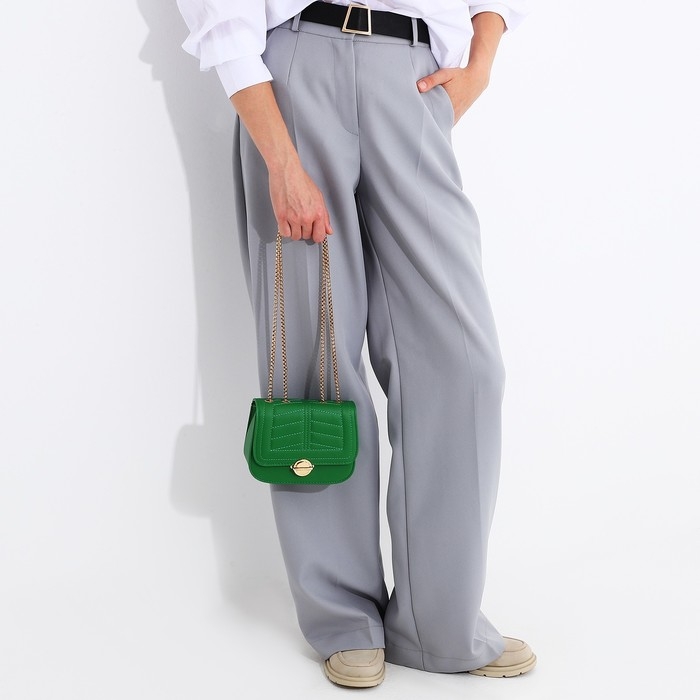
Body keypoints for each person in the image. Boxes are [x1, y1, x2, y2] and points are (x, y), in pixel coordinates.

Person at [175, 0, 536, 688]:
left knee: (465, 366)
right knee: (314, 357)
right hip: (295, 71)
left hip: (415, 78)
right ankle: (343, 619)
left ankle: (440, 623)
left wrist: (481, 61)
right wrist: (279, 156)